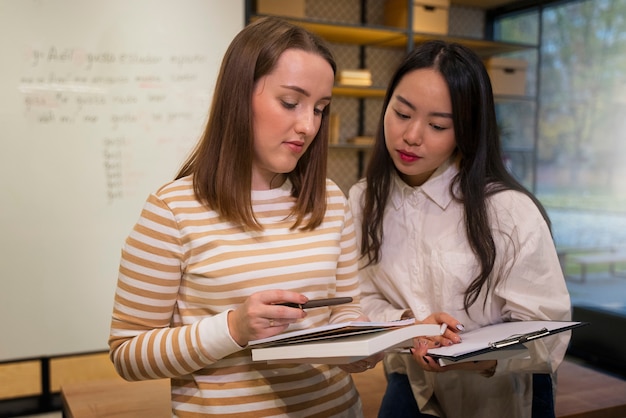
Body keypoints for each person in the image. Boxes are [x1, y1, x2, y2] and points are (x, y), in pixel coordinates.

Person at [108, 16, 381, 417]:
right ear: (239, 96)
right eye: (290, 103)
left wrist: (359, 344)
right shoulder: (172, 211)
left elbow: (344, 311)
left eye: (320, 109)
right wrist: (233, 329)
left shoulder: (330, 200)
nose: (307, 126)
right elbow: (128, 354)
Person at [348, 40, 572, 418]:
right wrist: (409, 326)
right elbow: (359, 297)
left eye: (437, 125)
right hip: (414, 381)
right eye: (401, 114)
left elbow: (549, 333)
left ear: (466, 131)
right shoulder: (364, 201)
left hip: (497, 390)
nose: (412, 135)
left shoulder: (507, 210)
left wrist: (477, 360)